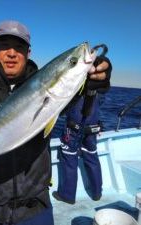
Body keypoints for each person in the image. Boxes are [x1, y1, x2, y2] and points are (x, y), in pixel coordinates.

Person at [0, 20, 111, 225]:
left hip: (36, 210)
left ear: (28, 52)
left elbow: (70, 96)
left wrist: (92, 82)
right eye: (4, 45)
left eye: (19, 47)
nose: (12, 53)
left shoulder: (52, 91)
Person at [52, 55, 112, 204]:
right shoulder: (100, 88)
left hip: (73, 128)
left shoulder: (78, 83)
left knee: (69, 157)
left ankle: (67, 195)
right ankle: (97, 193)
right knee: (92, 157)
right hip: (93, 128)